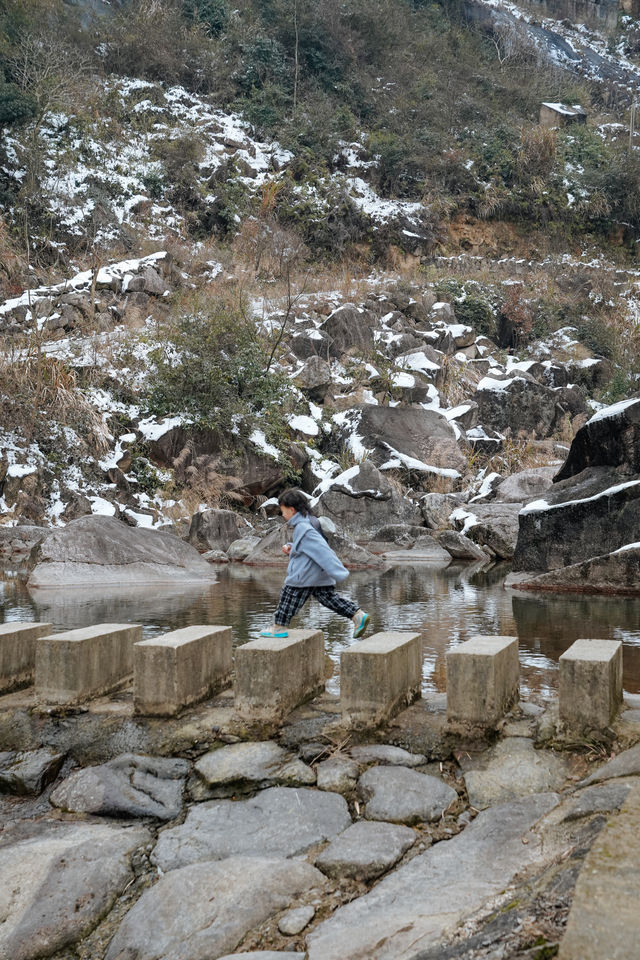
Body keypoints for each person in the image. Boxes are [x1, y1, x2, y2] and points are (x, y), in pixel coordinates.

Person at [260, 488, 370, 639]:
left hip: (304, 575)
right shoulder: (306, 523)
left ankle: (279, 627)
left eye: (283, 511)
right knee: (328, 598)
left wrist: (338, 571)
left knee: (288, 596)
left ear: (292, 510)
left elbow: (321, 549)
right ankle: (357, 615)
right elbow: (306, 548)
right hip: (315, 574)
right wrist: (292, 548)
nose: (282, 515)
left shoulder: (304, 528)